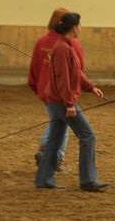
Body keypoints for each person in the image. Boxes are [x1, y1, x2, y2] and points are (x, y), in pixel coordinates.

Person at [35, 12, 108, 191]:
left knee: (55, 139)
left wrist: (90, 87)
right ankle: (88, 180)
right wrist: (69, 103)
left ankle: (43, 179)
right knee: (87, 135)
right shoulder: (62, 48)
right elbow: (63, 79)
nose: (81, 29)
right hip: (61, 101)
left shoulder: (65, 46)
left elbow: (75, 73)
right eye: (80, 25)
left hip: (56, 100)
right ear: (74, 27)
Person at [28, 8, 85, 172]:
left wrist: (36, 87)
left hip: (45, 91)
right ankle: (53, 156)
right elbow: (79, 68)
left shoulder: (41, 42)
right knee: (65, 125)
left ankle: (48, 155)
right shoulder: (71, 44)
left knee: (58, 122)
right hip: (62, 92)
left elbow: (34, 68)